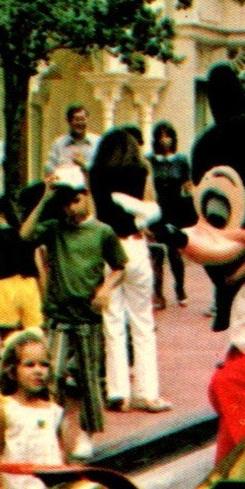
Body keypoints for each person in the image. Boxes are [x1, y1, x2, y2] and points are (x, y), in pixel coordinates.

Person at [21, 163, 127, 456]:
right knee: (51, 375)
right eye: (64, 201)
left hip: (87, 316)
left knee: (88, 378)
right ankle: (50, 432)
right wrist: (45, 198)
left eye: (75, 199)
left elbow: (120, 266)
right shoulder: (55, 230)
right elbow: (26, 235)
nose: (70, 207)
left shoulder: (102, 232)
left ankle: (87, 433)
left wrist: (106, 289)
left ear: (86, 195)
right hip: (58, 315)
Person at [88, 128, 170, 414]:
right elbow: (151, 209)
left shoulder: (96, 175)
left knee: (112, 324)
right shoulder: (139, 172)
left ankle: (117, 391)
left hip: (107, 249)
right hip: (134, 246)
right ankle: (148, 393)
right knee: (142, 322)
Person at [0, 328, 68, 489]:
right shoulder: (6, 409)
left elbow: (60, 448)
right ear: (12, 370)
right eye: (29, 365)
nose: (38, 371)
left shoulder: (53, 411)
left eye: (44, 365)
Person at [0, 194, 44, 343]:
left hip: (5, 288)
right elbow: (40, 268)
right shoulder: (28, 234)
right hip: (30, 287)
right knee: (34, 337)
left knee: (9, 341)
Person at [149, 121, 194, 309]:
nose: (164, 139)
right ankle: (158, 294)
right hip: (158, 209)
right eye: (160, 136)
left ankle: (180, 289)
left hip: (176, 209)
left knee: (175, 252)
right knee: (157, 252)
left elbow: (188, 185)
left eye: (168, 135)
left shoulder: (181, 160)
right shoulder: (151, 161)